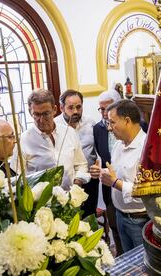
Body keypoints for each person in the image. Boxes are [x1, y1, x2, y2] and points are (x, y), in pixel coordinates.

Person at [90, 99, 148, 253]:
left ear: (127, 121)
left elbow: (145, 191)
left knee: (142, 265)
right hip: (120, 215)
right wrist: (102, 173)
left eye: (112, 122)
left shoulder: (146, 148)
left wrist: (114, 182)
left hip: (139, 220)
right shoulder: (118, 145)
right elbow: (117, 174)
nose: (109, 128)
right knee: (127, 260)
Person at [11, 89, 90, 190]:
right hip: (39, 203)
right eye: (37, 114)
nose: (41, 119)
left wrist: (76, 185)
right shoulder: (23, 140)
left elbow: (81, 164)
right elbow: (16, 178)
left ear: (55, 110)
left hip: (71, 197)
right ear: (30, 112)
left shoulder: (69, 132)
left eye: (46, 113)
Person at [54, 89, 97, 217]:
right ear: (62, 108)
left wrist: (98, 166)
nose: (76, 111)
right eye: (71, 108)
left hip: (89, 179)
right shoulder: (55, 125)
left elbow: (97, 147)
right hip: (66, 184)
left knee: (89, 216)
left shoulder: (90, 122)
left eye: (79, 107)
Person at [93, 91, 123, 255]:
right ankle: (119, 255)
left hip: (129, 185)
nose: (104, 113)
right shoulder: (98, 129)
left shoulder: (139, 125)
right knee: (114, 226)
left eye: (107, 108)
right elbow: (101, 155)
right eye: (101, 109)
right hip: (108, 187)